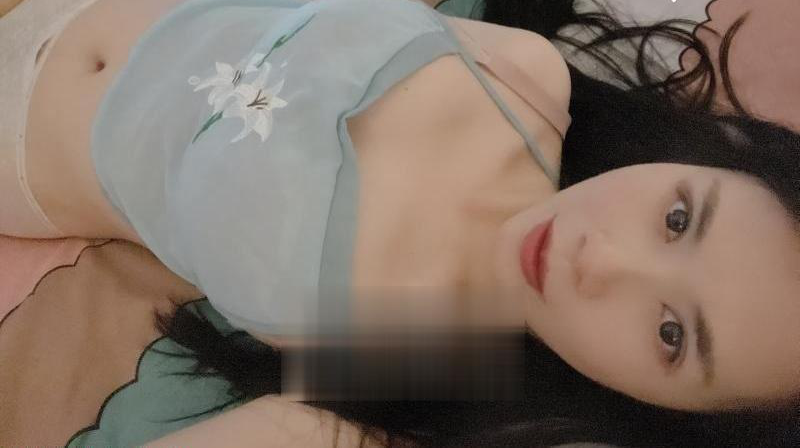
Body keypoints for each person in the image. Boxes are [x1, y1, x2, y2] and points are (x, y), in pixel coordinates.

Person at [2, 0, 799, 446]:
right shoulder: (530, 82)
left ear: (664, 412)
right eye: (677, 217)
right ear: (707, 159)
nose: (601, 257)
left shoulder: (388, 378)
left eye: (670, 334)